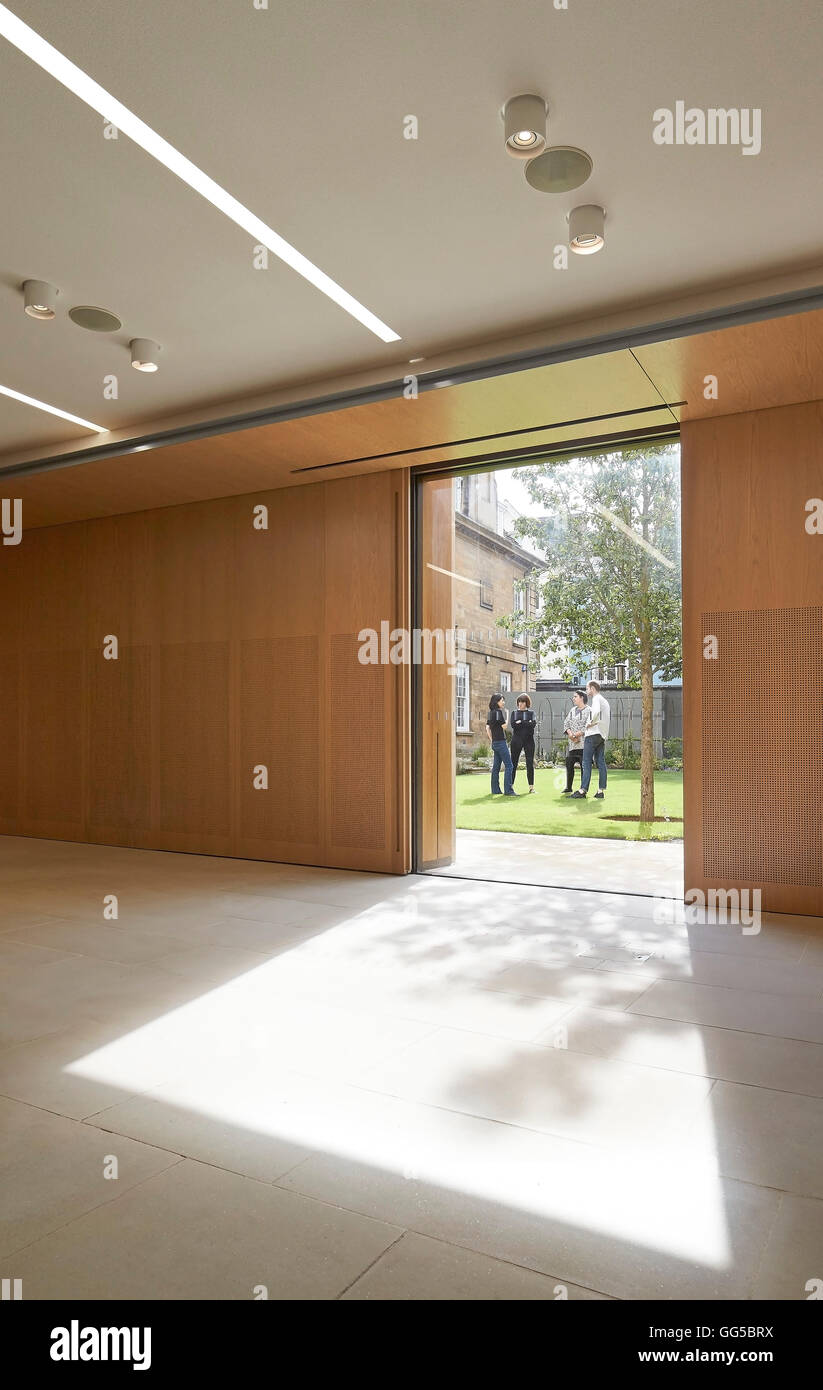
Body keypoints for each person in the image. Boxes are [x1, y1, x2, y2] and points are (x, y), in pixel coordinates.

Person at [572, 679, 611, 799]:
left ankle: (583, 790)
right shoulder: (604, 700)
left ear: (592, 689)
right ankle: (600, 791)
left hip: (593, 734)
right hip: (602, 735)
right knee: (600, 761)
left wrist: (590, 723)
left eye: (587, 688)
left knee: (586, 762)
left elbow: (595, 713)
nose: (586, 690)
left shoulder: (596, 699)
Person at [485, 693, 517, 796]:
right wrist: (507, 714)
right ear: (497, 701)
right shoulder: (498, 713)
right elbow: (504, 726)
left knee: (496, 767)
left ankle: (495, 790)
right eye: (502, 700)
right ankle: (508, 790)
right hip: (500, 742)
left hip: (495, 742)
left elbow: (487, 728)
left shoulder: (491, 713)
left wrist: (492, 740)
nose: (503, 702)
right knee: (509, 766)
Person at [562, 689, 588, 794]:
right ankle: (568, 787)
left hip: (584, 744)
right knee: (569, 764)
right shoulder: (572, 710)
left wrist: (577, 735)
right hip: (572, 744)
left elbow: (588, 725)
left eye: (575, 696)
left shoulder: (589, 710)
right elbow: (566, 723)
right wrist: (570, 734)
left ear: (582, 698)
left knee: (583, 766)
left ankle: (583, 788)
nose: (573, 698)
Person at [510, 694, 537, 793]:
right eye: (519, 702)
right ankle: (510, 786)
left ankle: (531, 787)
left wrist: (520, 722)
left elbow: (533, 724)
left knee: (529, 764)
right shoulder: (514, 713)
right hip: (516, 740)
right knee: (514, 763)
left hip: (529, 741)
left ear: (527, 703)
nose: (520, 704)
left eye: (523, 702)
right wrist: (526, 722)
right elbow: (513, 725)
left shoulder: (531, 713)